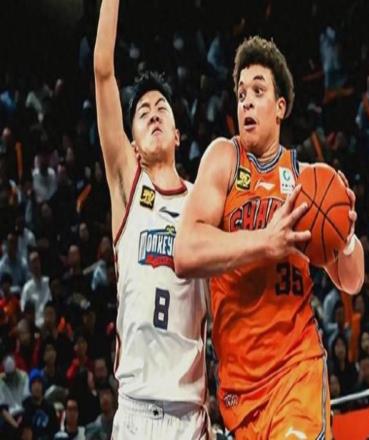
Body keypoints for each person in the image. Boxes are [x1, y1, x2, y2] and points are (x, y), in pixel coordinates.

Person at [175, 36, 364, 438]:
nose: (246, 102)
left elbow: (351, 280)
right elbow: (186, 252)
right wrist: (267, 242)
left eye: (258, 91)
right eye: (241, 93)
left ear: (280, 107)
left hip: (297, 370)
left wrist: (346, 237)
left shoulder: (308, 182)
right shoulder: (224, 159)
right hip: (240, 391)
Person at [94, 0, 208, 438]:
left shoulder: (203, 203)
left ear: (178, 135)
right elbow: (103, 71)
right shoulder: (127, 183)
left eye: (162, 108)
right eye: (142, 113)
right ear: (133, 144)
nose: (154, 113)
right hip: (135, 411)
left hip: (189, 416)